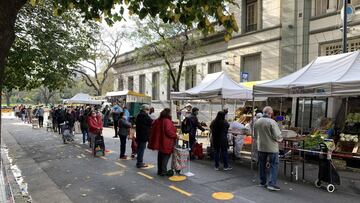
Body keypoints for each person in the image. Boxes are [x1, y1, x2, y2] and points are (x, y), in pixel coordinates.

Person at [254, 106, 283, 191]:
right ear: (270, 113)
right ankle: (271, 184)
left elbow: (255, 135)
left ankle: (262, 182)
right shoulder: (272, 122)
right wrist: (280, 139)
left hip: (261, 146)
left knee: (262, 165)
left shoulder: (257, 122)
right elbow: (277, 136)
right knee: (274, 165)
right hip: (272, 147)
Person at [149, 108, 178, 176]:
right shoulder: (167, 121)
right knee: (166, 156)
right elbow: (168, 131)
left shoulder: (158, 120)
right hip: (166, 141)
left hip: (160, 141)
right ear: (168, 113)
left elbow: (153, 126)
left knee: (160, 156)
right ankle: (163, 171)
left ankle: (160, 170)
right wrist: (175, 135)